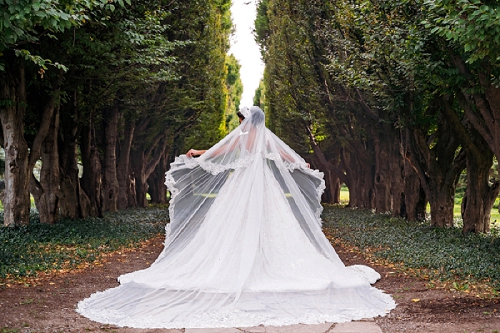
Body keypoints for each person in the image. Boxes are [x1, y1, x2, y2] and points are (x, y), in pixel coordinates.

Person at [77, 106, 395, 329]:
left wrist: (197, 154)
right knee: (270, 226)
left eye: (241, 118)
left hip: (244, 184)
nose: (240, 122)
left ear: (247, 120)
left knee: (234, 226)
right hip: (260, 185)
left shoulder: (244, 137)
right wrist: (303, 165)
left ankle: (241, 264)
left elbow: (218, 151)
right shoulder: (262, 137)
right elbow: (285, 156)